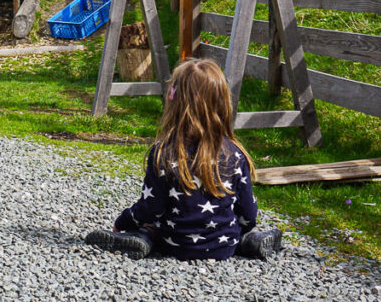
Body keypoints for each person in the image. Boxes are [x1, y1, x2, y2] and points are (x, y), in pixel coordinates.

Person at [85, 58, 282, 261]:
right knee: (243, 230)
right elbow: (248, 211)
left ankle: (143, 239)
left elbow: (150, 208)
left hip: (174, 245)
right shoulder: (234, 153)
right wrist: (247, 227)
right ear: (222, 103)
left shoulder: (164, 152)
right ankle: (252, 241)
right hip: (224, 246)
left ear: (175, 101)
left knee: (149, 227)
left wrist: (124, 220)